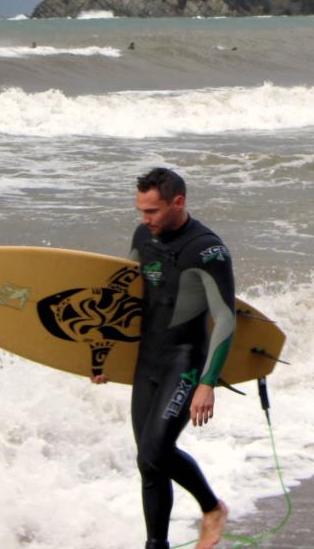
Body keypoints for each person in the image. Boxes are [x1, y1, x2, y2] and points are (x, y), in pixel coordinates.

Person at [97, 167, 235, 549]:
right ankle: (156, 545)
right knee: (148, 463)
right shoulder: (143, 236)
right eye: (141, 210)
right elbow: (127, 299)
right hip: (148, 360)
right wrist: (104, 356)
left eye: (153, 211)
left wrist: (207, 383)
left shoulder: (208, 249)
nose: (145, 219)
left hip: (184, 360)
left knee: (157, 450)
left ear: (178, 203)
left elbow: (225, 317)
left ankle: (211, 508)